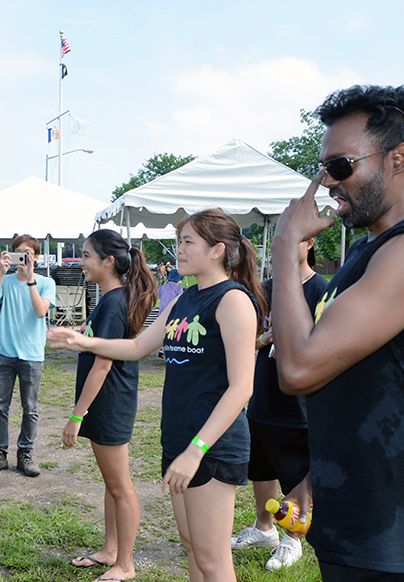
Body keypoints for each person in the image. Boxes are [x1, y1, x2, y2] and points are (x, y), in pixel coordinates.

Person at [49, 208, 266, 582]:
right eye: (179, 241)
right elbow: (135, 348)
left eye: (187, 242)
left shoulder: (232, 300)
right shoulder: (183, 300)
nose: (178, 250)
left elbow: (241, 386)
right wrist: (82, 340)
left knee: (213, 560)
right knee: (191, 546)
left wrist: (197, 449)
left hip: (211, 446)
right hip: (180, 438)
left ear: (217, 250)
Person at [270, 84, 404, 580]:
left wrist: (286, 244)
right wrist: (315, 474)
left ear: (398, 158)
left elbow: (300, 368)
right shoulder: (369, 253)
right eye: (322, 168)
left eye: (341, 166)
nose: (327, 182)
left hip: (387, 537)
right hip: (353, 508)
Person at [63, 230, 157, 582]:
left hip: (110, 403)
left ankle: (126, 565)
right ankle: (110, 550)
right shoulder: (110, 299)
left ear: (108, 262)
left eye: (86, 256)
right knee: (111, 483)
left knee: (120, 485)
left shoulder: (116, 302)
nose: (81, 262)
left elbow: (103, 365)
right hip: (107, 403)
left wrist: (76, 415)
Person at [231, 238, 327, 570]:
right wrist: (264, 338)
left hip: (299, 405)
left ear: (309, 243)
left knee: (295, 472)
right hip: (261, 396)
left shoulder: (322, 290)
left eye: (292, 241)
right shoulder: (265, 290)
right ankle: (264, 528)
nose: (282, 249)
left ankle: (292, 539)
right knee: (261, 467)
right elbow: (246, 335)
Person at [0, 234, 56, 478]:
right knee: (0, 407)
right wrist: (1, 272)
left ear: (37, 257)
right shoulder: (6, 280)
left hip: (31, 354)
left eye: (27, 253)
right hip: (4, 353)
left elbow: (40, 311)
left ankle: (25, 454)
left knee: (30, 408)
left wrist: (30, 280)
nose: (22, 257)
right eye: (18, 252)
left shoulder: (45, 282)